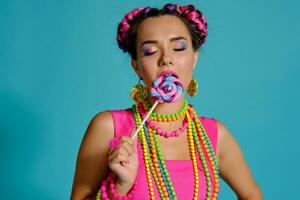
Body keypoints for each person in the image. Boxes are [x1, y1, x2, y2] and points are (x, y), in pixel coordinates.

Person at [70, 3, 262, 200]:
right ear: (136, 66)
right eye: (151, 51)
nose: (166, 58)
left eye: (178, 47)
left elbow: (252, 195)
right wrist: (120, 187)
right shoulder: (108, 127)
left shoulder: (214, 135)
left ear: (194, 58)